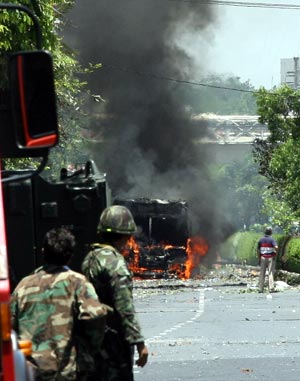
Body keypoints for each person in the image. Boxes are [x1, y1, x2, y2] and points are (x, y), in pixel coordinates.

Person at [10, 227, 112, 381]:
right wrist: (90, 348)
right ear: (71, 255)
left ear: (43, 252)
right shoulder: (77, 282)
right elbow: (95, 315)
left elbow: (9, 325)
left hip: (32, 371)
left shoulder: (24, 286)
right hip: (67, 369)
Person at [82, 205, 148, 381]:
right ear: (127, 235)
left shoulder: (90, 258)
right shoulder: (115, 262)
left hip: (90, 337)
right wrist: (139, 342)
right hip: (113, 341)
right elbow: (124, 305)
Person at [257, 226, 278, 293]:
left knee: (262, 273)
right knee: (270, 273)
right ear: (271, 232)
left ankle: (260, 289)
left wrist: (259, 258)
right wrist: (275, 251)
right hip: (270, 257)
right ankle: (271, 288)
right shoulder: (272, 240)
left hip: (263, 257)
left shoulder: (260, 240)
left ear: (265, 232)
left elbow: (258, 250)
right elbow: (276, 247)